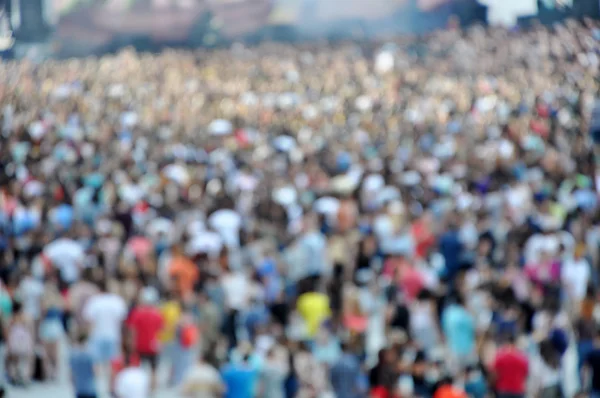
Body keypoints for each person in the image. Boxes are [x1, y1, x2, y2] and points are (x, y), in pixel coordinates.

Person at [83, 279, 127, 368]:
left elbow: (88, 319)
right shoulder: (117, 301)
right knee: (112, 363)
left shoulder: (95, 301)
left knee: (96, 362)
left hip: (97, 335)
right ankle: (110, 381)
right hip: (113, 335)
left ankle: (98, 380)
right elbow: (122, 319)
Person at [127, 286, 164, 390]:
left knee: (138, 368)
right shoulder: (157, 314)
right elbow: (160, 331)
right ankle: (153, 389)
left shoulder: (137, 313)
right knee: (154, 369)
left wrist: (131, 343)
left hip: (139, 344)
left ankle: (139, 388)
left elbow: (132, 330)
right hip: (153, 345)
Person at [69, 331, 97, 398]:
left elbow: (72, 375)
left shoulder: (73, 356)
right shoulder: (90, 355)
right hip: (90, 388)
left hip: (79, 389)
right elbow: (95, 371)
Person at [583, 328, 600, 398]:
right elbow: (585, 370)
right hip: (595, 388)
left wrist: (584, 387)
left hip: (595, 387)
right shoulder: (592, 354)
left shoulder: (592, 354)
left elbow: (585, 371)